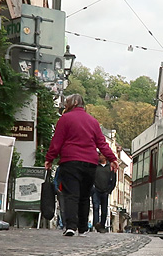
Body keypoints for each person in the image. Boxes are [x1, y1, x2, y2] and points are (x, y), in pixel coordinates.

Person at [45, 94, 117, 237]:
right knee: (85, 195)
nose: (65, 106)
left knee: (71, 194)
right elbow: (101, 143)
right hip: (90, 163)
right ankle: (83, 228)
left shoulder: (65, 119)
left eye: (66, 103)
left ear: (73, 103)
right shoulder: (93, 121)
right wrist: (112, 158)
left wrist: (50, 158)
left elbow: (57, 141)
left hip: (70, 161)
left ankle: (71, 226)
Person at [90, 151, 117, 232]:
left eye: (100, 155)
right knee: (96, 207)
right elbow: (91, 177)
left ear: (105, 156)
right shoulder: (95, 166)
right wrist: (93, 188)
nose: (99, 156)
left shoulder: (110, 167)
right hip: (96, 190)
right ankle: (96, 224)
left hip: (105, 191)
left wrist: (109, 190)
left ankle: (102, 225)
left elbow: (113, 180)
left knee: (104, 210)